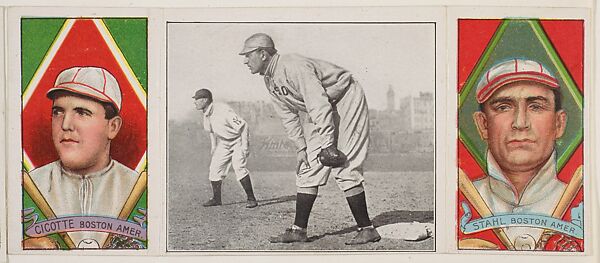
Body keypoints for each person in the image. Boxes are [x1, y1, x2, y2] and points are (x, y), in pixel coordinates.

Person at [238, 33, 380, 245]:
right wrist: (301, 148)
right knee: (307, 168)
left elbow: (318, 104)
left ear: (263, 54)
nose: (245, 60)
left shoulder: (292, 65)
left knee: (343, 164)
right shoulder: (270, 79)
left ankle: (367, 229)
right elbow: (288, 115)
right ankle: (298, 230)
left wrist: (328, 145)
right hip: (325, 106)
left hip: (346, 98)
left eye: (248, 55)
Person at [27, 66, 141, 248]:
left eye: (81, 112)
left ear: (113, 127)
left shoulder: (137, 187)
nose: (65, 124)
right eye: (58, 112)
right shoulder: (31, 185)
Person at [472, 58, 568, 250]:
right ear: (483, 125)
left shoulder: (583, 200)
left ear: (559, 124)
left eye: (536, 106)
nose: (520, 123)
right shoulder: (460, 200)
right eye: (503, 107)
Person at [193, 88, 258, 208]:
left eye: (197, 99)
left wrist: (245, 146)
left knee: (239, 167)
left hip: (238, 139)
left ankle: (251, 199)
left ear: (205, 100)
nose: (195, 102)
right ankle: (216, 199)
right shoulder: (206, 113)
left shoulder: (223, 110)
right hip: (224, 142)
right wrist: (213, 146)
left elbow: (243, 126)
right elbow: (211, 131)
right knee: (214, 169)